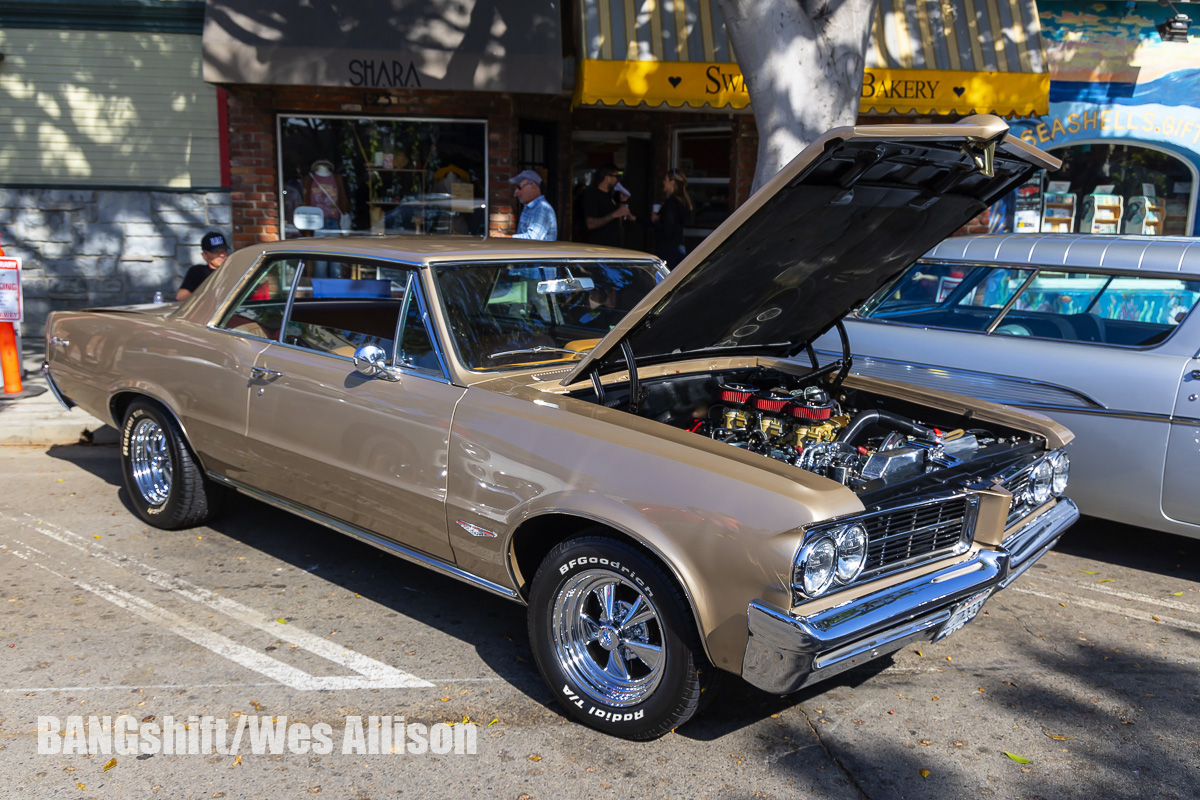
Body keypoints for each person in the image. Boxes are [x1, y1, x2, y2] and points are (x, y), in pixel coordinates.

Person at [582, 164, 634, 247]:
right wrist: (614, 214)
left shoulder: (610, 196)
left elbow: (618, 224)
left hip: (613, 245)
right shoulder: (592, 194)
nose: (617, 180)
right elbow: (590, 224)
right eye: (616, 176)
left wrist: (622, 203)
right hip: (599, 246)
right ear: (607, 177)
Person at [652, 168, 693, 268]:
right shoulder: (683, 202)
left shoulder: (671, 203)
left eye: (665, 180)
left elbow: (667, 229)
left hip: (668, 249)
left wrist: (656, 221)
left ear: (672, 182)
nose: (663, 182)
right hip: (679, 245)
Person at [176, 231, 229, 301]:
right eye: (216, 252)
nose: (222, 255)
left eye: (224, 251)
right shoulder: (197, 272)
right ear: (205, 255)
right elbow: (181, 296)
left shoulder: (233, 269)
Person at [508, 169, 557, 240]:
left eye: (519, 187)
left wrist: (503, 238)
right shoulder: (531, 207)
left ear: (533, 187)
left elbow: (532, 239)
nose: (516, 192)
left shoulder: (542, 208)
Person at [303, 159, 350, 231]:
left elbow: (342, 196)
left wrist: (344, 210)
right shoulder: (310, 179)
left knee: (335, 241)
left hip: (334, 218)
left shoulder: (336, 178)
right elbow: (306, 199)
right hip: (315, 219)